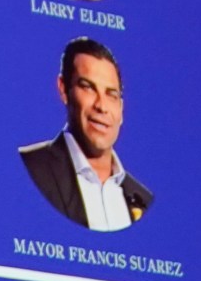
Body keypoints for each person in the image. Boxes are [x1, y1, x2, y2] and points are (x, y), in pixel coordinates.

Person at [18, 37, 152, 230]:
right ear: (64, 89)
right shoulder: (31, 167)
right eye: (88, 87)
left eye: (111, 94)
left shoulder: (143, 200)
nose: (101, 106)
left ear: (121, 109)